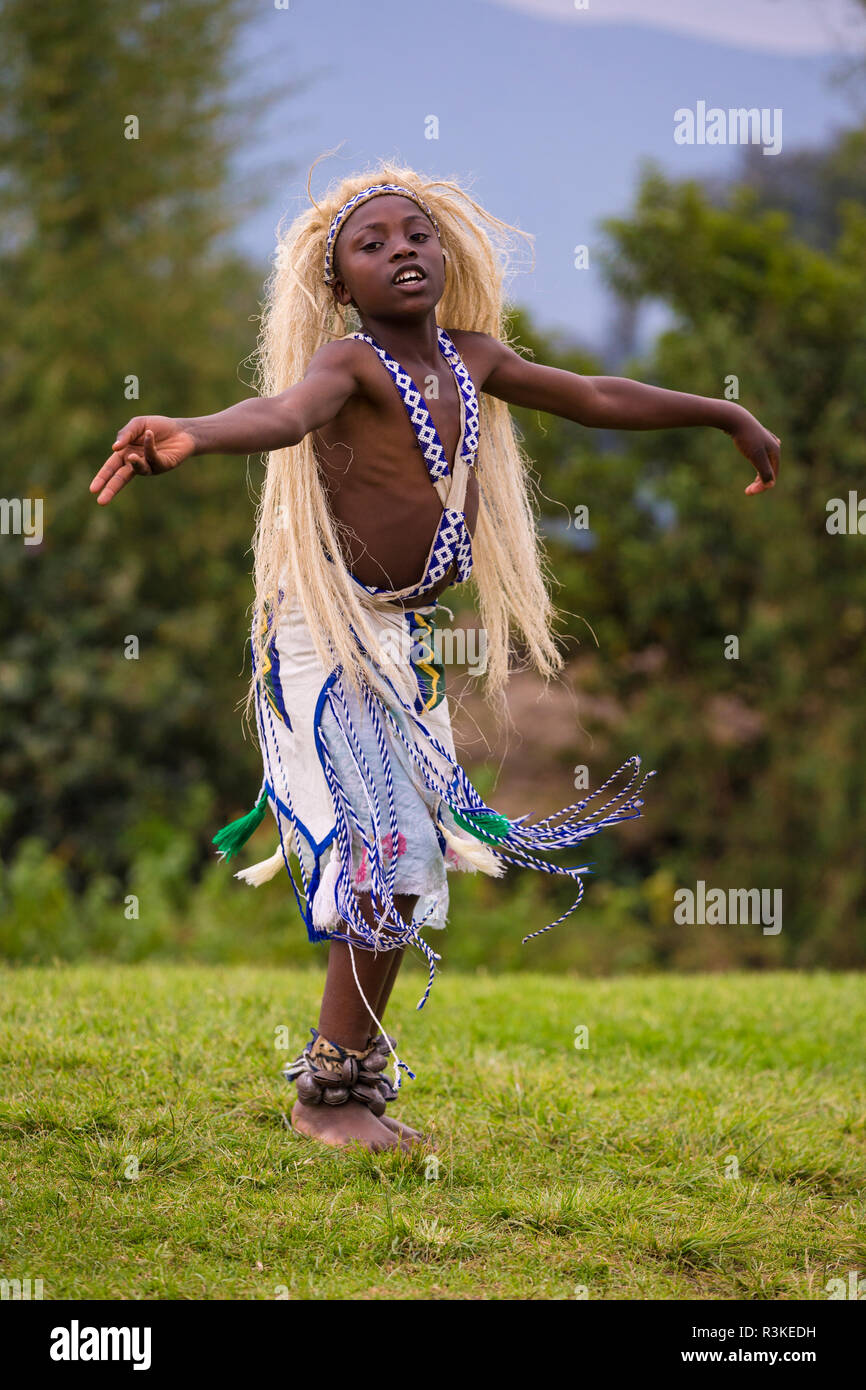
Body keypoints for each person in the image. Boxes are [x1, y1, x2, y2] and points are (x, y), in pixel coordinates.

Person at [90, 165, 780, 1153]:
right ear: (340, 286)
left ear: (444, 252)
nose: (400, 249)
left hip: (390, 640)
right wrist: (193, 434)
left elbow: (591, 392)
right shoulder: (349, 368)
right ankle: (330, 1098)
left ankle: (342, 1087)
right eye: (369, 244)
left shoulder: (473, 358)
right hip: (321, 637)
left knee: (404, 868)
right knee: (386, 857)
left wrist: (720, 413)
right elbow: (278, 416)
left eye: (413, 233)